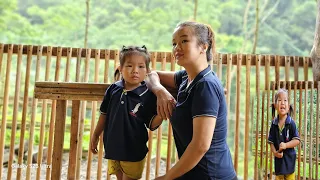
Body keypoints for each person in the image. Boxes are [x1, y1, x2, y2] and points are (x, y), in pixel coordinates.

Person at [146, 21, 237, 180]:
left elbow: (200, 146)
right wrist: (160, 91)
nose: (177, 47)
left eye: (184, 41)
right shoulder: (186, 78)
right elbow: (150, 74)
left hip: (212, 176)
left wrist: (167, 177)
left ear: (203, 46)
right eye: (174, 43)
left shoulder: (205, 86)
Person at [91, 45, 164, 180]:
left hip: (133, 151)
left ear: (147, 70)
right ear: (121, 68)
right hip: (113, 148)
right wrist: (95, 135)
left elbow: (152, 124)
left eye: (141, 67)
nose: (135, 71)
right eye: (129, 66)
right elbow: (104, 114)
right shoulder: (113, 89)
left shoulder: (147, 94)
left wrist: (162, 114)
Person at [268, 89, 300, 180]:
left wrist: (286, 145)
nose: (282, 103)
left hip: (289, 163)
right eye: (279, 100)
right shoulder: (274, 124)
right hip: (279, 164)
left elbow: (297, 140)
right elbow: (271, 141)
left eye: (285, 100)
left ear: (288, 106)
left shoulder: (291, 123)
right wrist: (275, 152)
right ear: (275, 105)